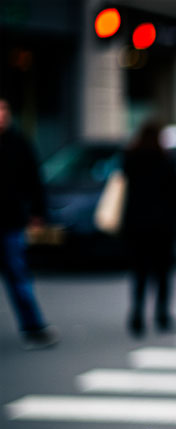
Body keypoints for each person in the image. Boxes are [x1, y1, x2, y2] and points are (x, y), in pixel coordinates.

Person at [121, 120, 176, 336]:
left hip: (136, 225)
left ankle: (137, 315)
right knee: (163, 272)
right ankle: (162, 314)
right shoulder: (168, 160)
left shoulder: (130, 159)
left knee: (139, 272)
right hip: (163, 226)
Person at [0, 98, 59, 350]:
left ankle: (33, 326)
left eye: (3, 110)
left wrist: (38, 213)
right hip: (11, 219)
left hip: (10, 221)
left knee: (18, 276)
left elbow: (34, 180)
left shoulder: (18, 143)